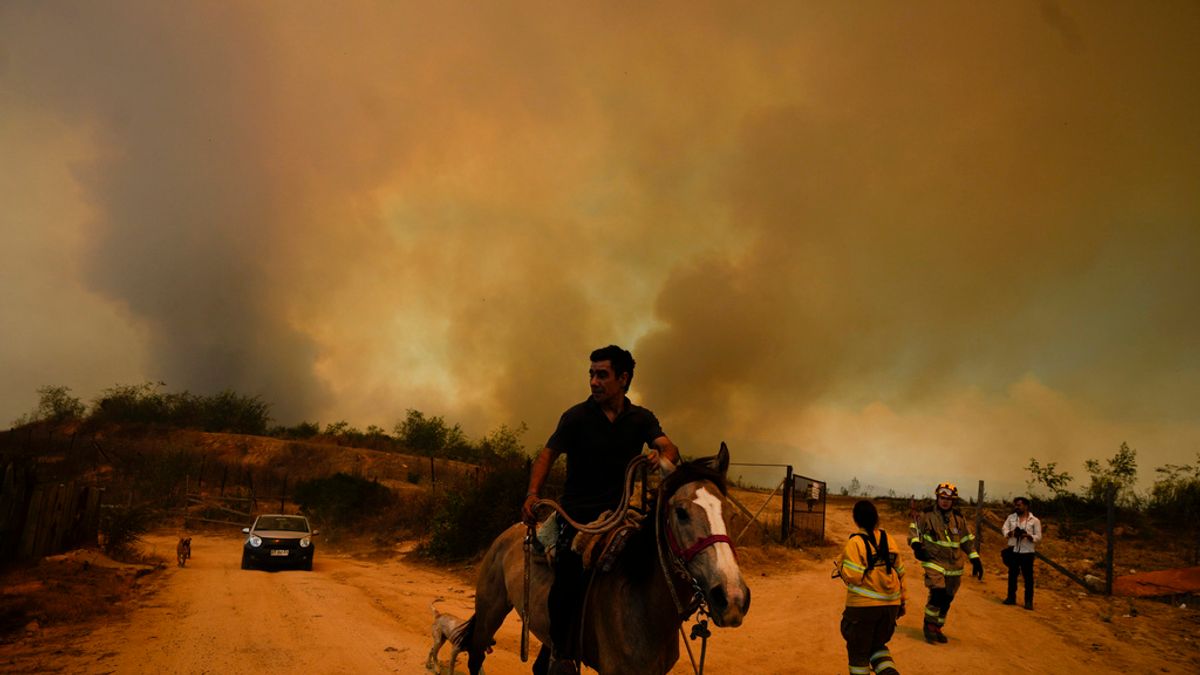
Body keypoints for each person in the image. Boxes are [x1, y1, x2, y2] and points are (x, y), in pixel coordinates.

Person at [521, 345, 681, 675]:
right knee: (567, 575)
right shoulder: (576, 417)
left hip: (620, 514)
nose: (594, 381)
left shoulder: (641, 418)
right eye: (591, 374)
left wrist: (660, 456)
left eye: (602, 375)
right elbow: (547, 456)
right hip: (576, 516)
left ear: (623, 379)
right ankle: (561, 653)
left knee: (655, 563)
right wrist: (532, 494)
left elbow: (668, 447)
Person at [836, 500, 906, 675]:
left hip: (863, 609)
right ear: (876, 518)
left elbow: (853, 576)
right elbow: (900, 572)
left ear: (856, 519)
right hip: (890, 607)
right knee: (877, 646)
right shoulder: (888, 539)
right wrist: (902, 602)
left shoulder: (856, 542)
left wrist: (840, 567)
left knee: (858, 652)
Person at [908, 482, 982, 644]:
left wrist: (975, 558)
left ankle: (938, 627)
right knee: (938, 593)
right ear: (937, 498)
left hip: (955, 565)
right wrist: (916, 545)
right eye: (942, 498)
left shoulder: (958, 519)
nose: (945, 501)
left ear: (953, 501)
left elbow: (966, 541)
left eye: (949, 499)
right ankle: (928, 626)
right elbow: (914, 531)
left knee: (947, 598)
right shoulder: (926, 515)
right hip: (933, 561)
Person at [1001, 496, 1042, 610]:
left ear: (1026, 506)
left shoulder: (1035, 521)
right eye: (1015, 505)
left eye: (1019, 505)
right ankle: (1011, 598)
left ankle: (1028, 602)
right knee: (1012, 575)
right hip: (1014, 549)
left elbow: (1038, 537)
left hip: (1027, 551)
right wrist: (1010, 533)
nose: (1016, 507)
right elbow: (1004, 529)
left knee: (1028, 577)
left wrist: (1029, 536)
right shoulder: (1011, 518)